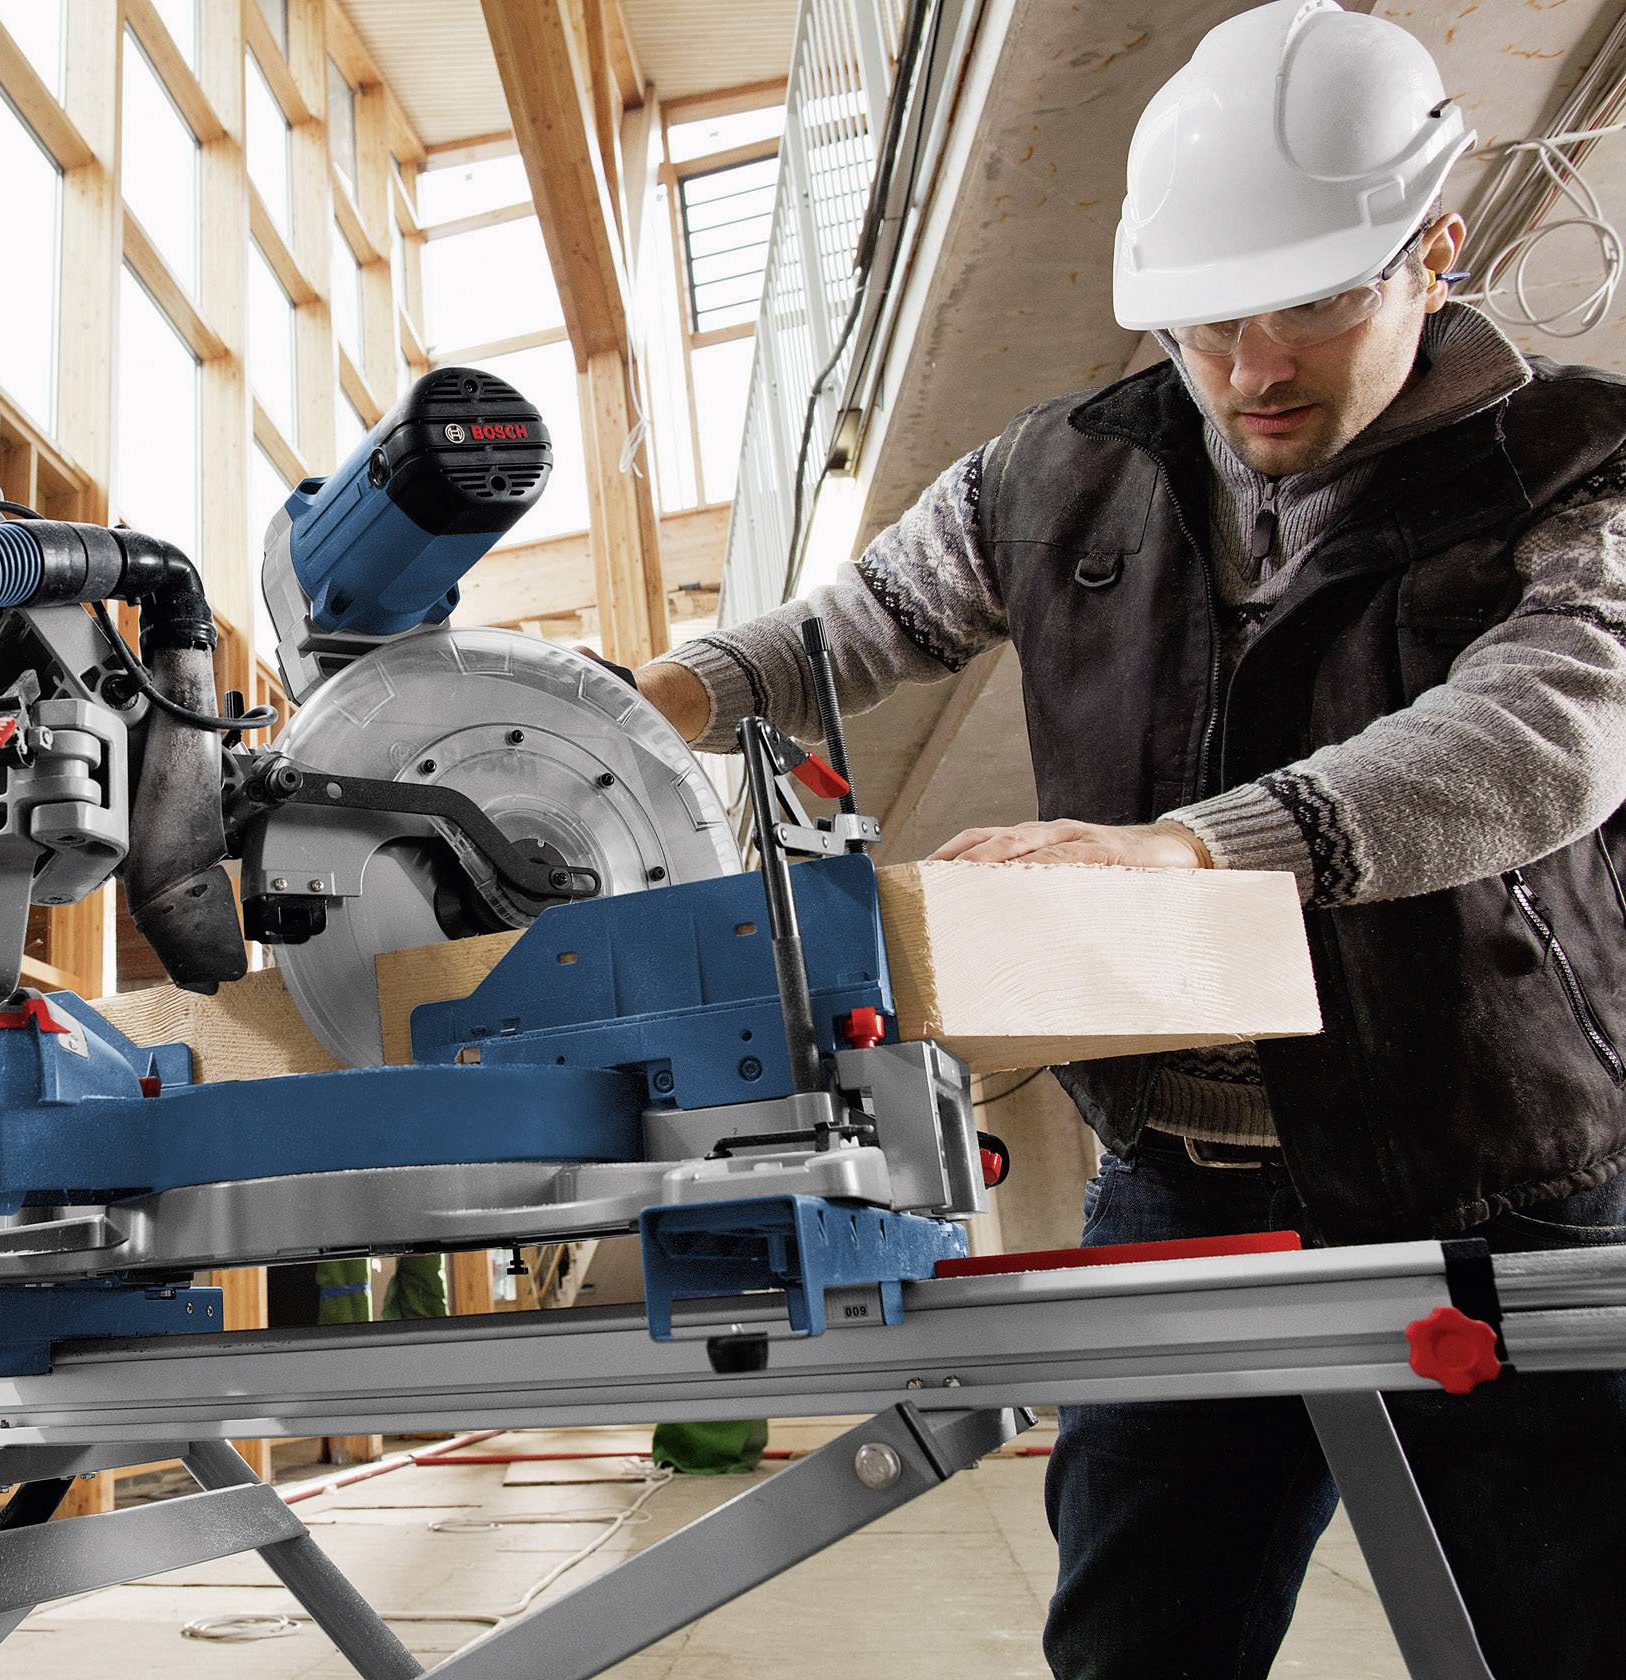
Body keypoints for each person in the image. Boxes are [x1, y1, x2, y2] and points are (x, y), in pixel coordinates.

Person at [633, 3, 1626, 1674]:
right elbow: (838, 636)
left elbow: (1545, 734)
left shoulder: (1577, 466)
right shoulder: (1054, 475)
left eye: (1312, 308)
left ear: (1435, 249)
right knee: (1139, 1644)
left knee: (1573, 1627)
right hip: (1189, 1186)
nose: (1251, 372)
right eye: (1205, 324)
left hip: (1494, 1164)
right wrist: (631, 703)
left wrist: (1197, 850)